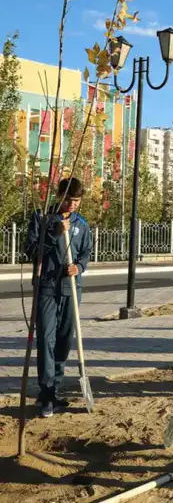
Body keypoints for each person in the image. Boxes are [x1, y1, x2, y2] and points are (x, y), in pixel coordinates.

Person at [26, 178, 93, 419]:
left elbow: (86, 252)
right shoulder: (42, 218)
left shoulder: (81, 224)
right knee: (46, 339)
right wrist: (54, 234)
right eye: (68, 200)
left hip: (71, 288)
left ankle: (55, 389)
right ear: (59, 196)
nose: (72, 204)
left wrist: (79, 267)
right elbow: (31, 250)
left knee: (64, 340)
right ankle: (46, 393)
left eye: (77, 200)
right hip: (46, 287)